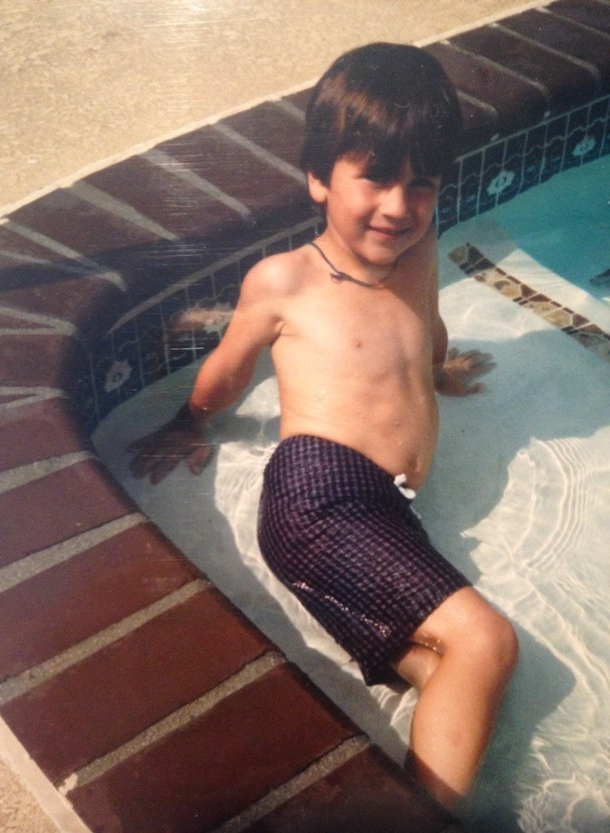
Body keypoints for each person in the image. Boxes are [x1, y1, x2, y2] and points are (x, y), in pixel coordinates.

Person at [129, 43, 518, 814]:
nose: (398, 207)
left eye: (422, 185)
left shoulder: (419, 255)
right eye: (373, 176)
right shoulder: (286, 280)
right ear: (317, 178)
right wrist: (190, 419)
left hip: (379, 510)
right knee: (486, 642)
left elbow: (423, 326)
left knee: (454, 674)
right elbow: (234, 364)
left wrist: (437, 373)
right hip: (321, 494)